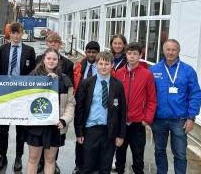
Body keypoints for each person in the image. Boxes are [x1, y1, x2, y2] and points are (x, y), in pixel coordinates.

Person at [149, 39, 201, 174]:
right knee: (159, 151)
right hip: (158, 119)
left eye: (174, 50)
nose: (170, 52)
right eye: (168, 49)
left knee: (180, 154)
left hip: (180, 120)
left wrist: (191, 118)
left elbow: (195, 94)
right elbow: (148, 95)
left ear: (179, 51)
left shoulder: (188, 71)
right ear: (163, 50)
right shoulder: (154, 70)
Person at [25, 48, 76, 174]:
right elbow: (24, 99)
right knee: (33, 159)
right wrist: (45, 82)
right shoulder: (32, 77)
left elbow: (71, 104)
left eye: (54, 59)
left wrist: (64, 120)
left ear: (58, 61)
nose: (51, 61)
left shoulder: (64, 80)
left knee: (50, 159)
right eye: (49, 58)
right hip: (36, 126)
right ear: (43, 60)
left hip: (55, 126)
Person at [75, 51, 126, 174]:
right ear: (96, 65)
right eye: (101, 63)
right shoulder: (86, 83)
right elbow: (80, 109)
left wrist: (120, 135)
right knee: (88, 166)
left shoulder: (117, 85)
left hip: (109, 131)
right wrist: (79, 132)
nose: (103, 67)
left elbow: (122, 111)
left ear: (112, 65)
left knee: (105, 166)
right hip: (90, 130)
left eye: (106, 64)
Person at [0, 22, 36, 172]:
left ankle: (18, 156)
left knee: (21, 128)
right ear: (9, 34)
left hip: (21, 94)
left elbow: (33, 72)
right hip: (5, 93)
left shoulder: (29, 50)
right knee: (3, 128)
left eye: (18, 33)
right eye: (13, 33)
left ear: (22, 33)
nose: (15, 36)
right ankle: (2, 156)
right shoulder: (3, 48)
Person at [114, 42, 157, 174]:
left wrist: (147, 119)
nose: (132, 56)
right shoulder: (118, 73)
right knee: (120, 155)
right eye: (129, 53)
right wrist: (115, 116)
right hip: (121, 123)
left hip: (138, 123)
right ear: (126, 55)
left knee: (138, 157)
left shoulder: (147, 74)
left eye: (135, 54)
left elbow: (152, 99)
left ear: (140, 55)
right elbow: (114, 97)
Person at [36, 32, 74, 174]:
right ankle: (41, 162)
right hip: (40, 108)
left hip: (59, 109)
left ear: (60, 44)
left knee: (54, 143)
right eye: (51, 42)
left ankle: (53, 162)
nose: (53, 45)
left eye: (56, 42)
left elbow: (68, 87)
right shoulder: (38, 60)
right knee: (38, 143)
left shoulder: (68, 64)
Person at [72, 41, 100, 174]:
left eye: (94, 52)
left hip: (96, 106)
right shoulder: (79, 66)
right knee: (80, 136)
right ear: (85, 51)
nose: (91, 54)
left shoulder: (102, 66)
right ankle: (79, 164)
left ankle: (93, 165)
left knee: (94, 138)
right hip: (80, 105)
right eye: (89, 51)